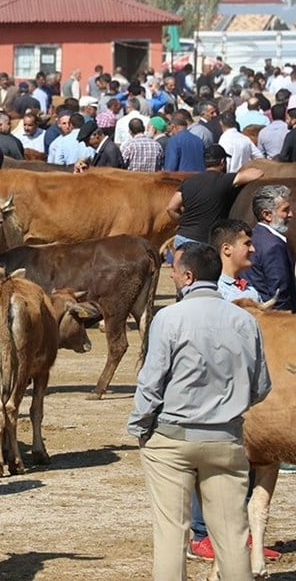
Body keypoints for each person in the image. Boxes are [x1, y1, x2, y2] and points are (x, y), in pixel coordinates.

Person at [128, 241, 271, 580]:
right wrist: (231, 410)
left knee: (170, 535)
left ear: (188, 276)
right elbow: (261, 386)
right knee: (233, 539)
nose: (172, 275)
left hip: (171, 438)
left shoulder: (169, 318)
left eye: (175, 271)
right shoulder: (245, 320)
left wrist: (139, 427)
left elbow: (151, 382)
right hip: (226, 439)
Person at [166, 144, 263, 248]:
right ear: (222, 162)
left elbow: (171, 208)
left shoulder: (188, 181)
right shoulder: (225, 180)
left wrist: (182, 222)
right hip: (205, 242)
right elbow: (258, 173)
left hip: (183, 238)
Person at [241, 185, 295, 311]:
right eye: (285, 210)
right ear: (267, 215)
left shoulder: (254, 237)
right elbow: (280, 295)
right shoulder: (273, 246)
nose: (291, 214)